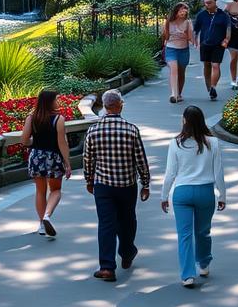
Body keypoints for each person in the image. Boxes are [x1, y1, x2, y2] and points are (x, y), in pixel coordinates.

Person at [84, 89, 151, 282]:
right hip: (127, 184)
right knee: (128, 220)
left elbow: (88, 159)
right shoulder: (131, 129)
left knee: (106, 224)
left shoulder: (93, 130)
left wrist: (89, 180)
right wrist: (145, 184)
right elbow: (140, 159)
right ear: (120, 104)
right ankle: (127, 251)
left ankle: (107, 266)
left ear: (105, 107)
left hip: (103, 185)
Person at [161, 106, 226, 288]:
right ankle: (204, 263)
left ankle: (187, 275)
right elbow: (218, 171)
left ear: (184, 121)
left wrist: (164, 195)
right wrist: (222, 195)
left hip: (182, 193)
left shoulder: (175, 143)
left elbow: (170, 173)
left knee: (185, 235)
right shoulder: (212, 142)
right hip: (205, 192)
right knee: (203, 231)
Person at [21, 89, 72, 237]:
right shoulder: (58, 119)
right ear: (50, 102)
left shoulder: (32, 118)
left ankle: (42, 225)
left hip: (36, 157)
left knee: (40, 191)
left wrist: (35, 143)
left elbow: (24, 140)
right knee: (55, 190)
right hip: (53, 158)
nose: (59, 102)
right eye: (57, 99)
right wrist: (67, 163)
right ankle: (47, 215)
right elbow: (62, 143)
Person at [192, 0, 231, 101]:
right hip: (205, 44)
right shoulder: (201, 15)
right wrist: (195, 40)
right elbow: (196, 29)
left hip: (218, 44)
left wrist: (226, 40)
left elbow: (228, 28)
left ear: (215, 2)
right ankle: (209, 87)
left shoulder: (223, 15)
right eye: (205, 3)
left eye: (209, 3)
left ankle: (213, 87)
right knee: (207, 65)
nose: (207, 5)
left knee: (215, 65)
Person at [162, 2, 194, 104]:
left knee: (181, 72)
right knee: (174, 69)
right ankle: (173, 94)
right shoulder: (168, 22)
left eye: (185, 10)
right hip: (171, 48)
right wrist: (166, 33)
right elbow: (166, 37)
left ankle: (179, 94)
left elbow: (190, 38)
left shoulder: (188, 22)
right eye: (181, 10)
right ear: (176, 11)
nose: (183, 12)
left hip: (183, 49)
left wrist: (184, 34)